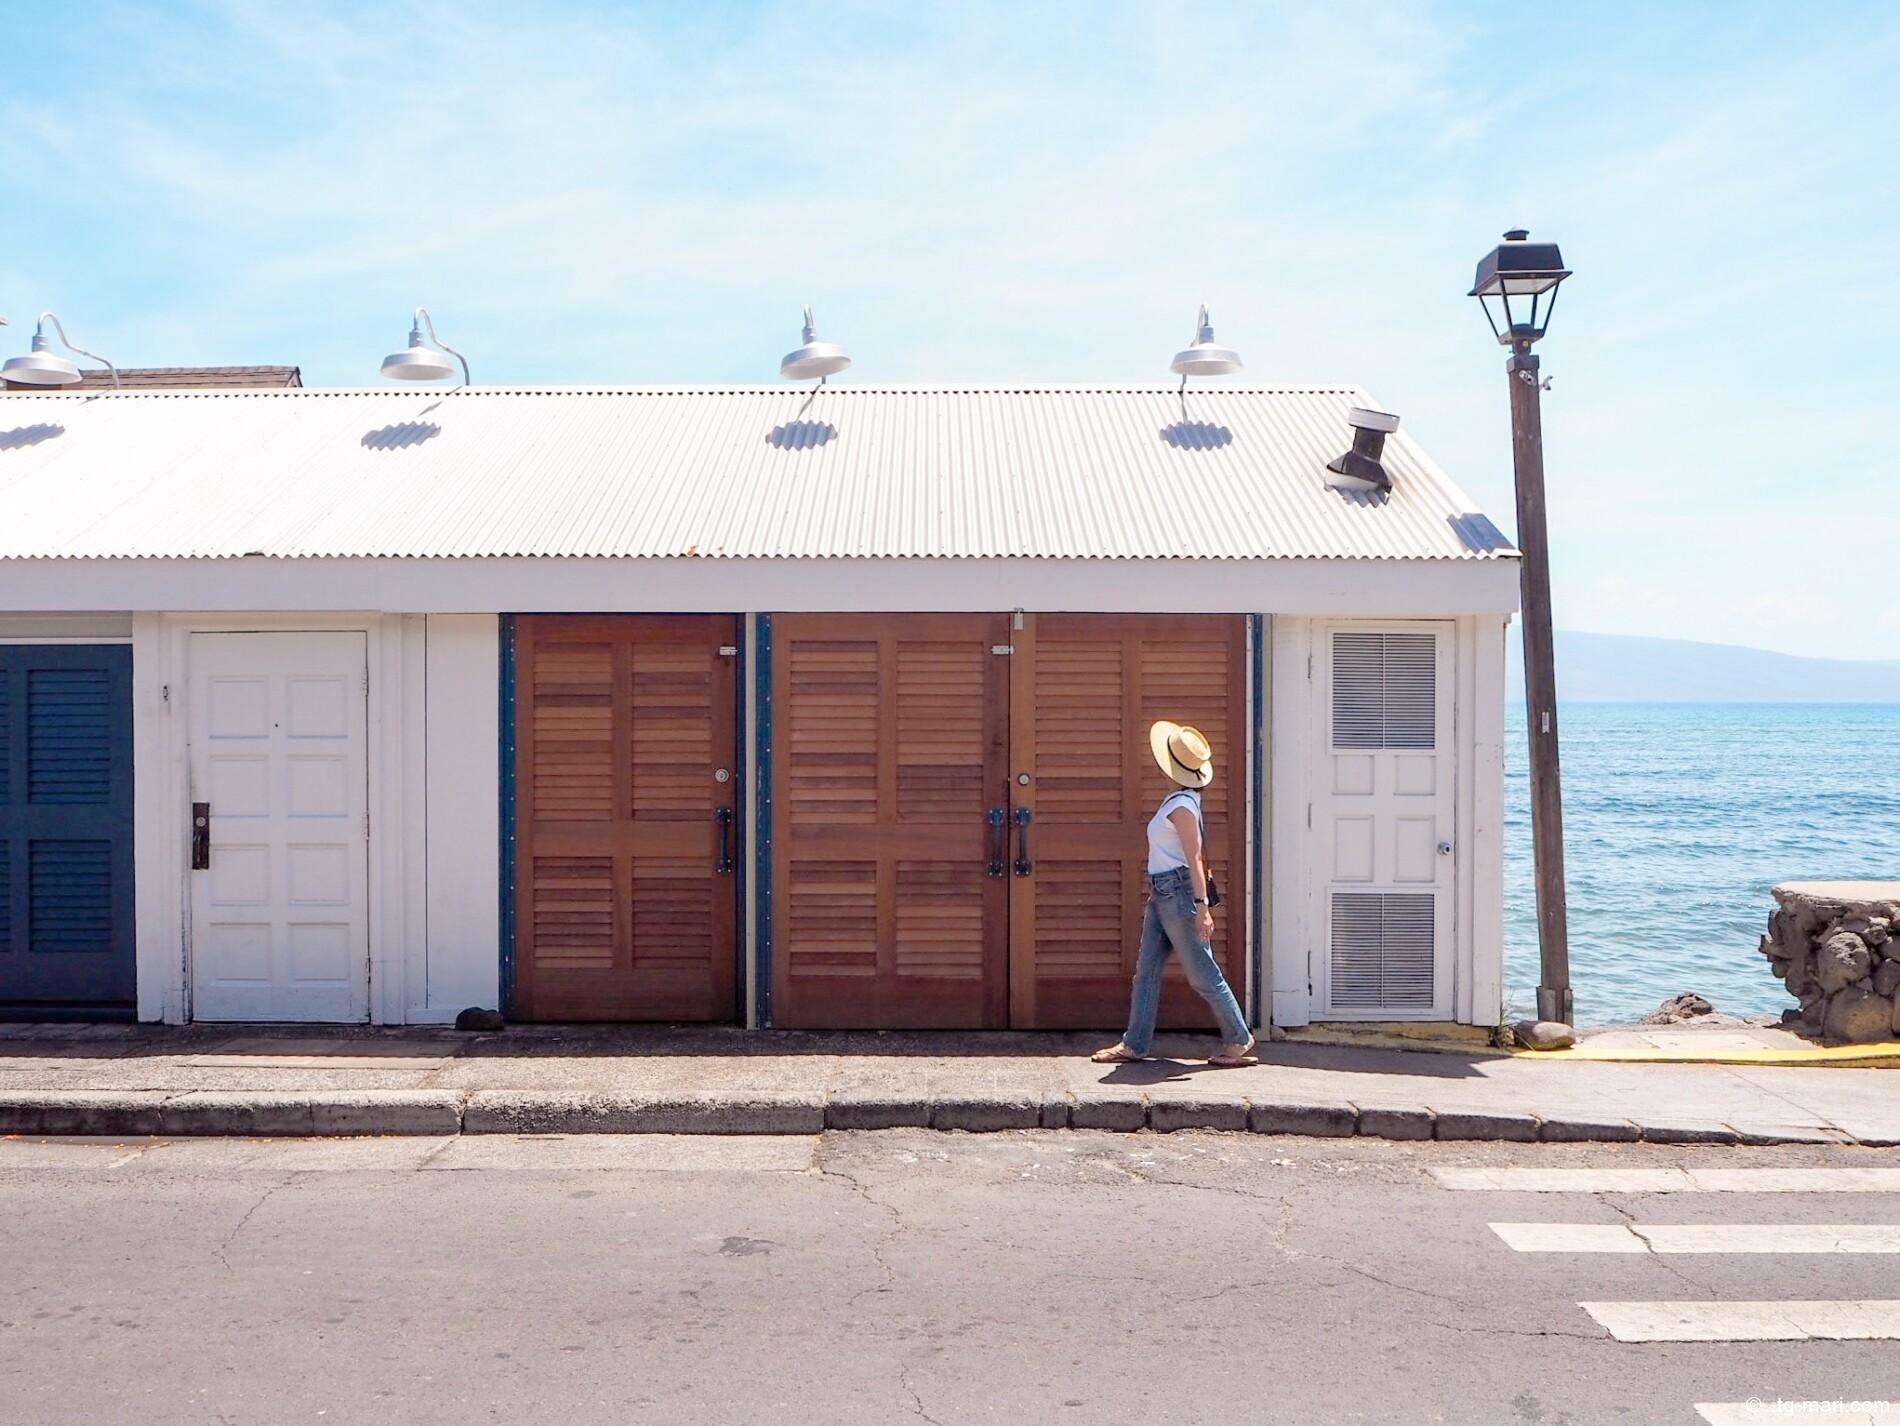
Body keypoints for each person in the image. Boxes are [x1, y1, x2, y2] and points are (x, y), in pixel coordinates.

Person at [1092, 720, 1256, 1067]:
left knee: (1201, 972)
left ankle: (1239, 1038)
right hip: (1162, 893)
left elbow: (1194, 859)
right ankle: (1134, 1044)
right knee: (1146, 971)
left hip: (1178, 894)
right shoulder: (1177, 800)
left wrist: (1202, 907)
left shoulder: (1182, 806)